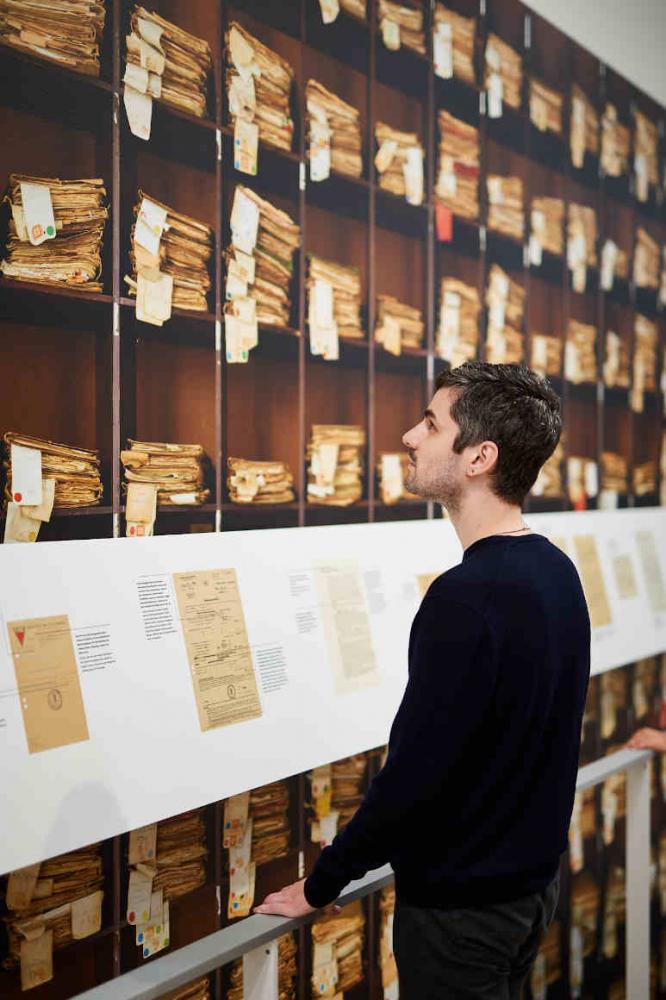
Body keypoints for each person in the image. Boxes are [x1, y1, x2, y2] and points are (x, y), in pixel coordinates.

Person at [256, 362, 591, 999]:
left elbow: (416, 774)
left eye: (432, 424)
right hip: (530, 892)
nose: (410, 436)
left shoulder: (464, 598)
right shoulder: (556, 571)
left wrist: (321, 882)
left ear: (479, 457)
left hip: (461, 915)